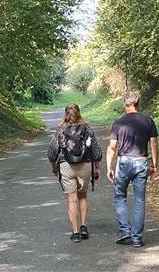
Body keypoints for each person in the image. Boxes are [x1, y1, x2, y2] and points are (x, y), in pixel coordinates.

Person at [106, 91, 159, 248]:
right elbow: (154, 144)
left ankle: (125, 230)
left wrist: (109, 167)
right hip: (141, 162)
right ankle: (137, 238)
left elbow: (111, 148)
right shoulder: (148, 121)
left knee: (119, 196)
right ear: (138, 104)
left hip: (123, 162)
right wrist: (154, 165)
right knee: (139, 200)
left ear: (125, 105)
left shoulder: (118, 123)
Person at [47, 103, 102, 243]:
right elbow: (96, 152)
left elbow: (52, 153)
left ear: (65, 114)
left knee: (72, 199)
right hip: (85, 165)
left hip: (66, 166)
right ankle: (83, 227)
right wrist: (96, 168)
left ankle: (75, 232)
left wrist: (54, 166)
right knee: (82, 196)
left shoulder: (60, 130)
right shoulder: (87, 129)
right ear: (79, 113)